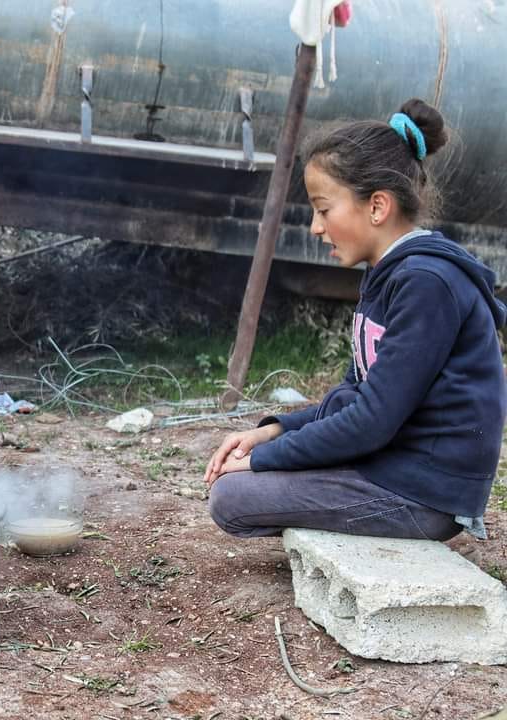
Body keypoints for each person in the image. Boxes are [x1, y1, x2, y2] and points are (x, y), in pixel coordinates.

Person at [204, 99, 506, 542]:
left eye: (323, 209)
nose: (315, 227)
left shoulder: (426, 283)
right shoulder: (387, 273)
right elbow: (355, 393)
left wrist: (265, 460)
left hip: (423, 495)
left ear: (377, 207)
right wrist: (273, 432)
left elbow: (371, 421)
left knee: (233, 497)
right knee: (239, 489)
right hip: (391, 467)